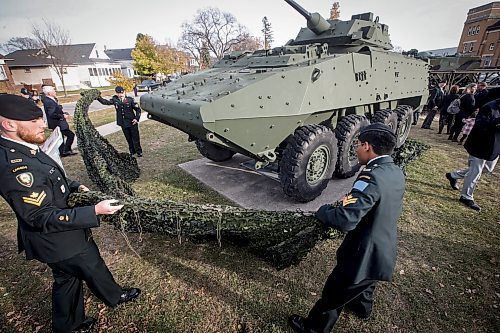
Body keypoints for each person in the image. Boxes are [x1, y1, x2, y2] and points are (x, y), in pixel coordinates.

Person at [0, 94, 141, 333]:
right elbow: (39, 216)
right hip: (59, 239)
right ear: (9, 125)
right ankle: (116, 296)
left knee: (66, 279)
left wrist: (74, 185)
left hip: (53, 240)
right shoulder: (15, 166)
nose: (42, 125)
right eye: (34, 121)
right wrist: (94, 211)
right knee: (93, 266)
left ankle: (68, 325)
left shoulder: (23, 148)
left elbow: (51, 176)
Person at [288, 123, 405, 333]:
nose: (356, 149)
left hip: (362, 253)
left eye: (358, 145)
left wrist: (323, 211)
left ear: (367, 146)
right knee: (367, 282)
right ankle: (362, 309)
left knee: (334, 293)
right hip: (383, 247)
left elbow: (346, 220)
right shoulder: (395, 171)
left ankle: (314, 328)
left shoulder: (371, 176)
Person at [445, 98, 500, 211]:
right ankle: (466, 197)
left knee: (487, 169)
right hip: (480, 144)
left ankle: (453, 175)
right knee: (476, 171)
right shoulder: (489, 107)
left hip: (495, 147)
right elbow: (481, 124)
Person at [97, 86, 143, 157]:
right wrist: (98, 97)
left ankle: (139, 151)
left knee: (135, 137)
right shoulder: (115, 100)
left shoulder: (130, 100)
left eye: (121, 93)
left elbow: (138, 110)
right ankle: (132, 151)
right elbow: (105, 102)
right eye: (118, 93)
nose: (120, 95)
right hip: (123, 123)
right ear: (116, 93)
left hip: (132, 122)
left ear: (124, 92)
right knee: (128, 138)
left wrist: (136, 119)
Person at [42, 85, 77, 157]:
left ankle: (64, 151)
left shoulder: (52, 99)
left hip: (59, 123)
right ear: (49, 93)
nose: (55, 92)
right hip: (57, 123)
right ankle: (65, 151)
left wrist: (62, 112)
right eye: (53, 91)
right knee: (70, 135)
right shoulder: (49, 101)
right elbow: (51, 114)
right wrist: (62, 116)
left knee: (62, 137)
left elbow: (56, 110)